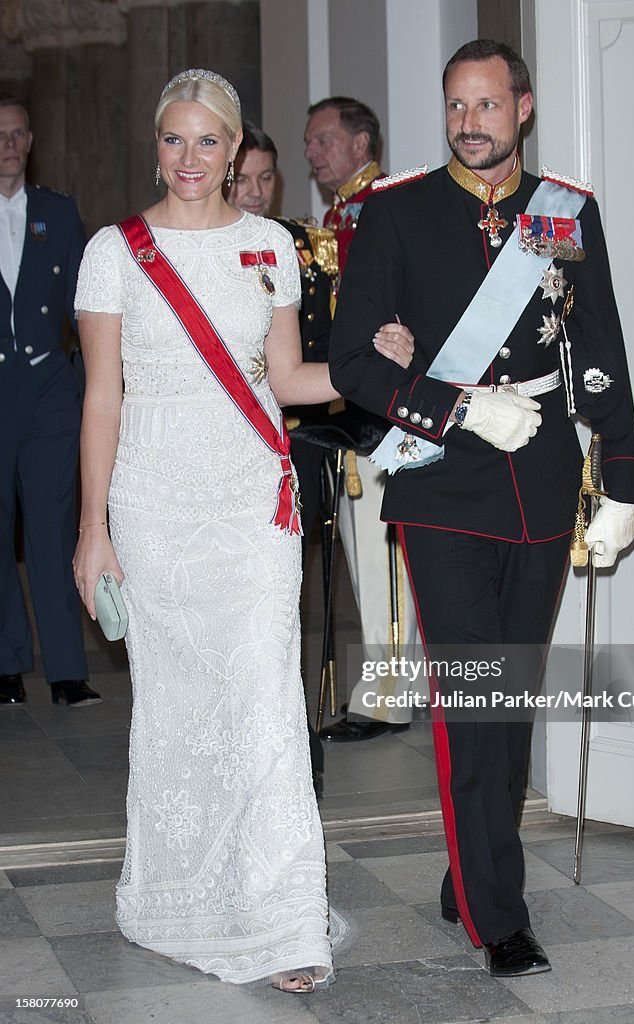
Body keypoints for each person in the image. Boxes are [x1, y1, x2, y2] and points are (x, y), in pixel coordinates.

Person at [71, 68, 413, 993]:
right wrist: (91, 527)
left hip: (252, 505)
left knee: (265, 705)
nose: (190, 158)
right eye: (174, 140)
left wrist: (364, 366)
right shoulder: (114, 250)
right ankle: (178, 895)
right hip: (152, 507)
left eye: (208, 141)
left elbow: (288, 378)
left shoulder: (270, 244)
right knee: (180, 713)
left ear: (235, 153)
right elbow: (102, 399)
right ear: (156, 145)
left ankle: (282, 917)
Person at [329, 40, 634, 977]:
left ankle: (470, 867)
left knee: (508, 701)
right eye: (455, 106)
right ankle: (494, 912)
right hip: (441, 486)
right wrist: (458, 407)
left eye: (487, 106)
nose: (471, 123)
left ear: (523, 108)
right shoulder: (393, 214)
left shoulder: (561, 216)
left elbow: (597, 349)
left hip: (542, 484)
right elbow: (352, 361)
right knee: (474, 703)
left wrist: (621, 479)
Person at [304, 96, 426, 740]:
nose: (312, 153)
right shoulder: (339, 214)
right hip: (350, 406)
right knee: (363, 551)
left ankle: (388, 697)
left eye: (323, 140)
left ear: (361, 143)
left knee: (383, 560)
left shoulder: (379, 207)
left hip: (380, 411)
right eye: (310, 143)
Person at [229, 122, 338, 798]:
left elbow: (317, 344)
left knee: (280, 607)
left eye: (266, 178)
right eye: (244, 178)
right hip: (213, 451)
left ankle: (291, 748)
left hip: (290, 445)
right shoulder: (181, 249)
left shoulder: (296, 248)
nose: (256, 192)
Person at [0, 96, 100, 708]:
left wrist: (93, 387)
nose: (7, 144)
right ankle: (6, 665)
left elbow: (85, 308)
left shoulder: (57, 213)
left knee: (52, 529)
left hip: (47, 394)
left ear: (30, 141)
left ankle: (66, 671)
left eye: (15, 134)